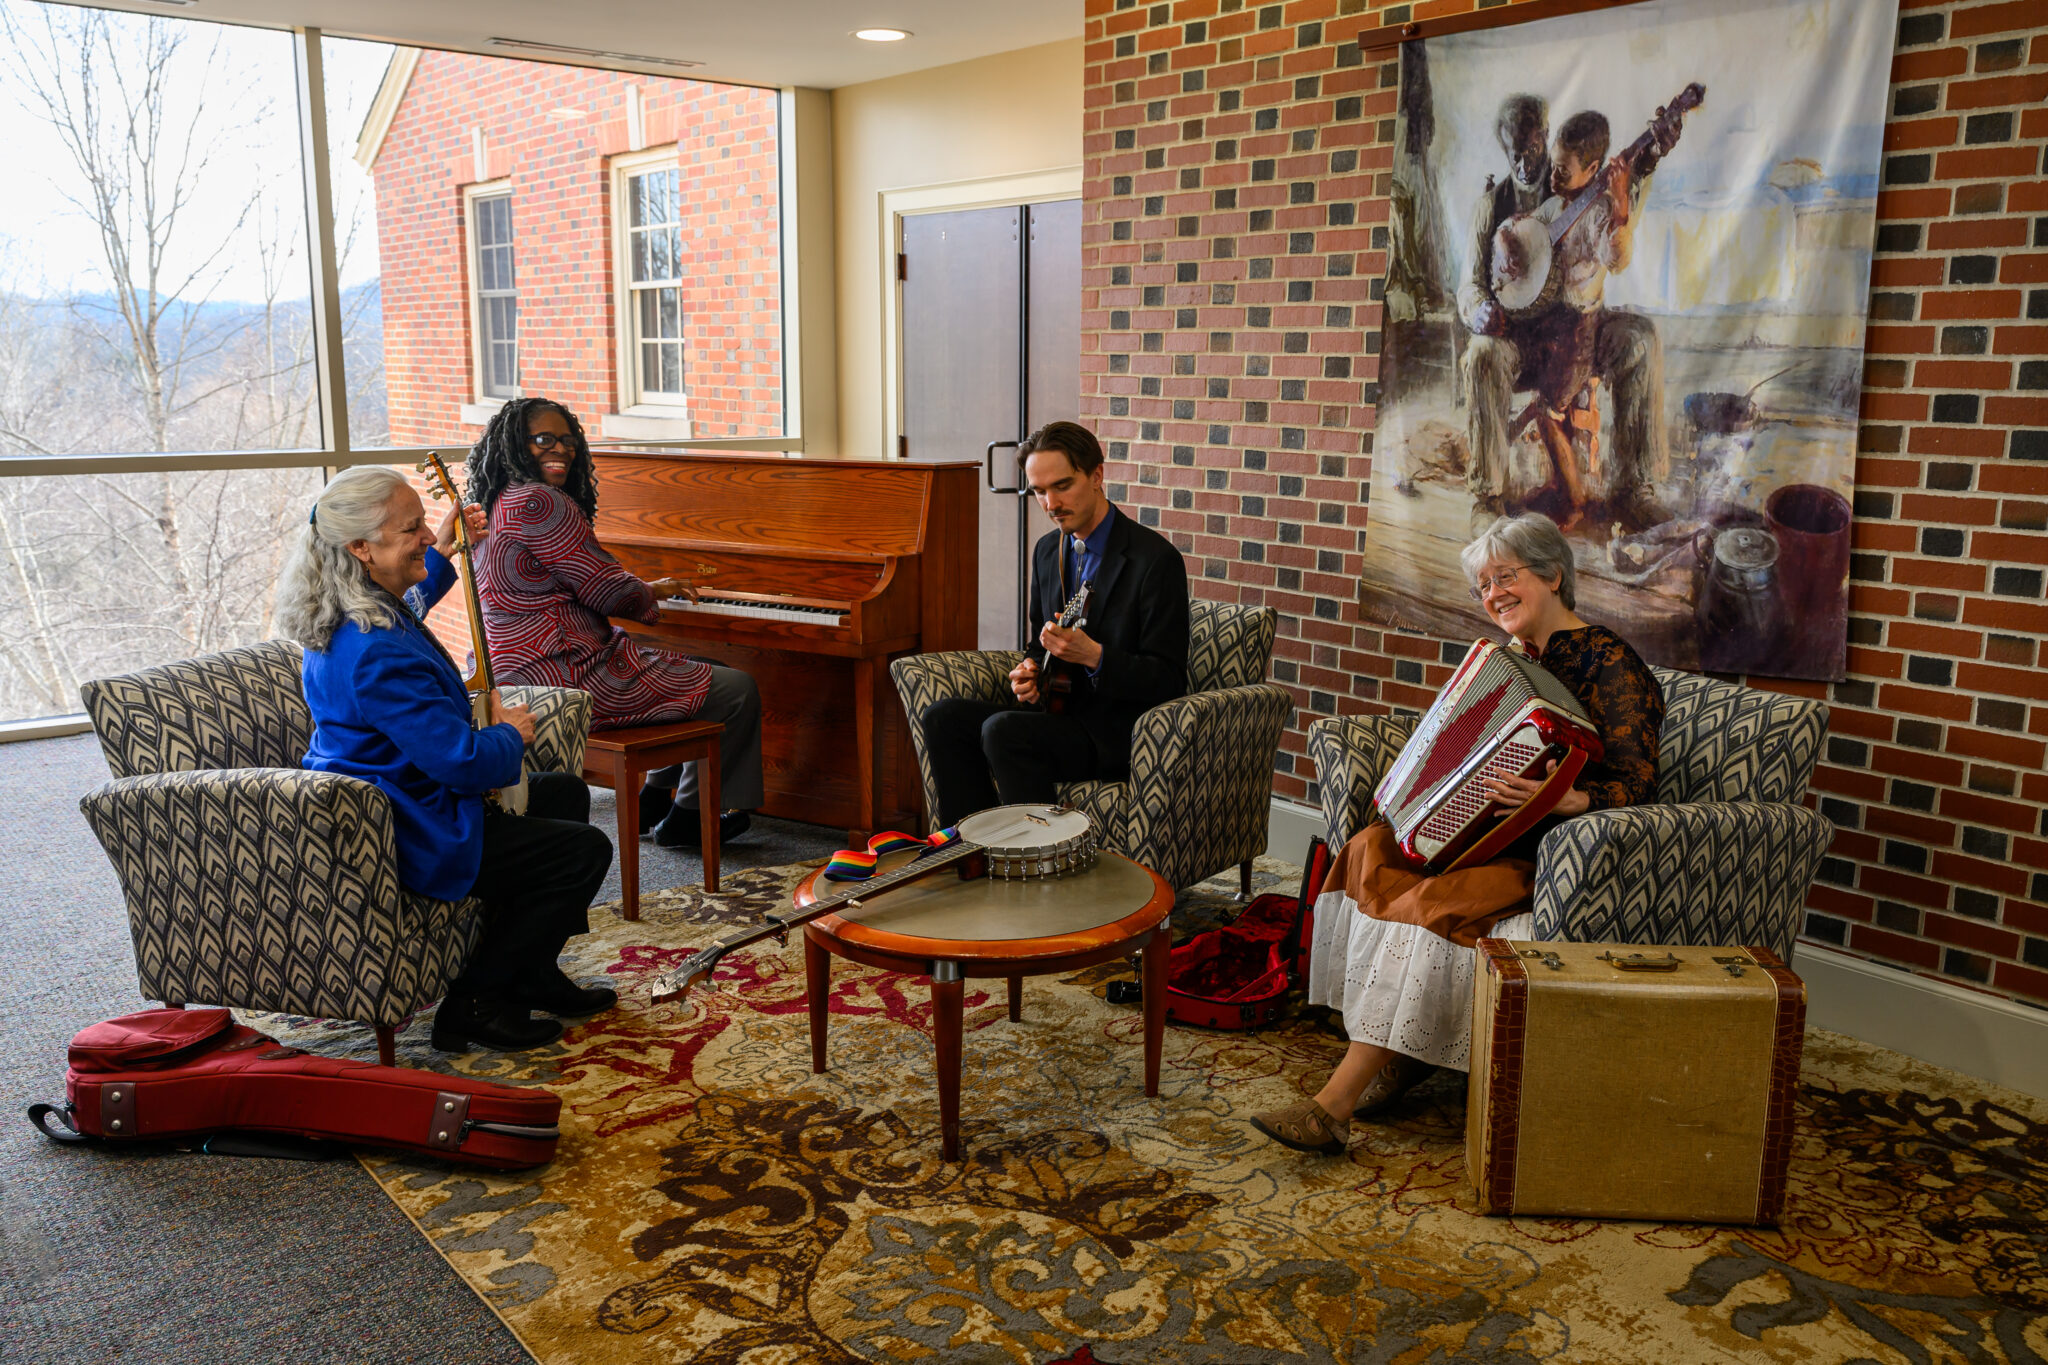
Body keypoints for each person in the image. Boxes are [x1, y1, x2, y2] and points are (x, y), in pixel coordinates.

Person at [1251, 513, 1664, 1154]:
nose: (1493, 594)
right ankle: (1400, 1050)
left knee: (1430, 901)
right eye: (1483, 585)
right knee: (1368, 847)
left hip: (1548, 852)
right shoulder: (1516, 661)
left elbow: (1639, 781)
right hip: (1481, 834)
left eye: (1507, 576)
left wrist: (1563, 798)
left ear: (1554, 575)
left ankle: (1335, 1105)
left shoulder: (1612, 662)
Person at [275, 464, 616, 1053]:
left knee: (563, 792)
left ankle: (532, 969)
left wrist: (445, 547)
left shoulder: (353, 608)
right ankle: (475, 1003)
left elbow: (411, 602)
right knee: (581, 851)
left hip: (397, 794)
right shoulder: (376, 652)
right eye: (412, 530)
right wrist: (511, 734)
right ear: (362, 547)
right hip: (405, 826)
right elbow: (462, 764)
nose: (427, 537)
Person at [466, 397, 764, 848]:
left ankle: (653, 799)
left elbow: (581, 576)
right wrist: (650, 592)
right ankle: (691, 816)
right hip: (569, 675)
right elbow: (610, 590)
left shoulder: (497, 498)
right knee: (738, 689)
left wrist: (646, 587)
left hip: (515, 675)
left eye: (567, 441)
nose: (560, 450)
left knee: (691, 666)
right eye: (544, 439)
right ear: (517, 444)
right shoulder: (540, 503)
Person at [917, 421, 1190, 826]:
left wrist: (1096, 657)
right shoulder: (1048, 550)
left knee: (1003, 731)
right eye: (1039, 491)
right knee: (943, 717)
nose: (1050, 503)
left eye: (1062, 486)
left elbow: (1168, 680)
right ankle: (970, 855)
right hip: (1057, 715)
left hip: (1115, 733)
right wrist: (1028, 671)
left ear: (1097, 475)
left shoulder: (1156, 561)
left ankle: (1038, 863)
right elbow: (1037, 643)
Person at [1460, 107, 1670, 532]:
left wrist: (1648, 157)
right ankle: (1488, 496)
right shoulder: (1492, 205)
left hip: (1578, 329)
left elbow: (1617, 227)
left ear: (1546, 140)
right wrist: (1482, 306)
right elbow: (1468, 286)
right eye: (1515, 154)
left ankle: (1635, 491)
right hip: (1517, 335)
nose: (1526, 165)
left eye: (1534, 151)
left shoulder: (1579, 187)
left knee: (1641, 338)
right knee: (1481, 354)